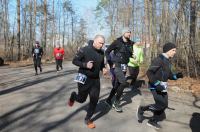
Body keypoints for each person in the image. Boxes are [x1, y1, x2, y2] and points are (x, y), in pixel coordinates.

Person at [136, 42, 183, 129]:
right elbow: (149, 72)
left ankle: (153, 120)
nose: (174, 52)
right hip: (155, 86)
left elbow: (169, 75)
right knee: (161, 104)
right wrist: (157, 84)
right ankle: (143, 110)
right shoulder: (159, 59)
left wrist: (177, 76)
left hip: (163, 87)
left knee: (164, 104)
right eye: (173, 50)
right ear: (168, 50)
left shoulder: (168, 61)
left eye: (175, 50)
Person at [68, 35, 107, 129]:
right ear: (95, 41)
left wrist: (103, 69)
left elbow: (101, 65)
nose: (101, 45)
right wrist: (85, 64)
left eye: (103, 43)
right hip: (84, 77)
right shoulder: (84, 49)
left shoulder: (102, 52)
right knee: (81, 99)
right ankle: (73, 96)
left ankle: (88, 119)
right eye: (100, 43)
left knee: (94, 99)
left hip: (95, 80)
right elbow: (75, 61)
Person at [104, 27, 133, 112]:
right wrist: (110, 62)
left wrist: (132, 55)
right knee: (124, 83)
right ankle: (116, 103)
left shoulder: (129, 43)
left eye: (130, 32)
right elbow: (107, 52)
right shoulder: (117, 42)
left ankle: (108, 99)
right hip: (117, 65)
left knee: (117, 84)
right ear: (123, 33)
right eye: (128, 32)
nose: (129, 34)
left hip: (124, 66)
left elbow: (128, 53)